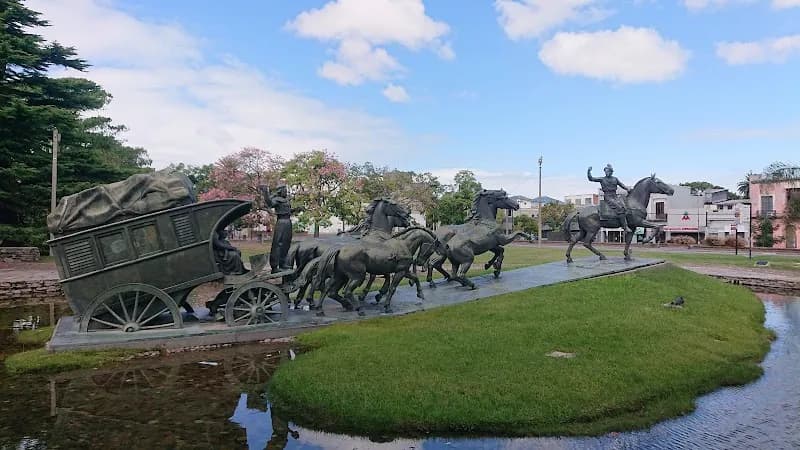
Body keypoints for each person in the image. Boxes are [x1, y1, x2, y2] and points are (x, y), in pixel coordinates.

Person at [588, 164, 632, 233]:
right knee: (619, 208)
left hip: (615, 195)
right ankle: (625, 226)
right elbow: (591, 178)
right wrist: (589, 172)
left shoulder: (615, 179)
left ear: (611, 172)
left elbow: (622, 185)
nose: (606, 172)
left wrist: (627, 189)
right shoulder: (602, 179)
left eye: (608, 171)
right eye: (605, 171)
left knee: (625, 206)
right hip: (608, 196)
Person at [262, 183, 296, 273]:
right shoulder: (276, 199)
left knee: (286, 244)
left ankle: (283, 263)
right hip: (281, 222)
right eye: (284, 190)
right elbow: (269, 203)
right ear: (280, 191)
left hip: (288, 222)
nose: (286, 192)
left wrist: (296, 209)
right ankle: (274, 266)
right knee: (278, 244)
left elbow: (287, 211)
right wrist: (266, 192)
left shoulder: (286, 200)